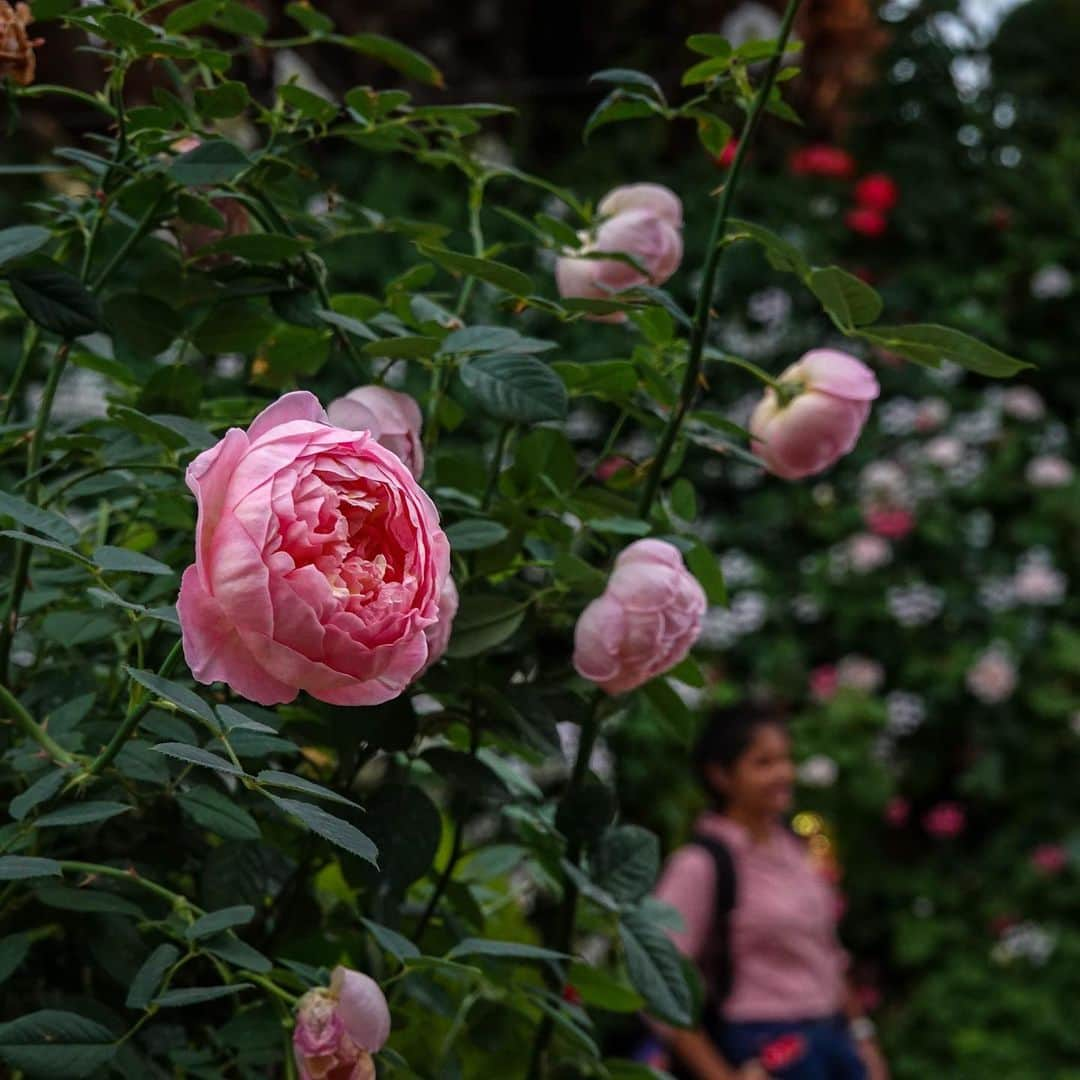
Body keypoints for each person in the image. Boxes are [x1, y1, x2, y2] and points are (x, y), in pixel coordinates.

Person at [651, 705, 889, 1080]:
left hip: (832, 1043)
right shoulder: (700, 865)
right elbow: (654, 981)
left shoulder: (795, 849)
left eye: (786, 759)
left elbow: (826, 953)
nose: (784, 773)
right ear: (720, 775)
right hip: (764, 1047)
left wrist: (863, 1039)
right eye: (763, 763)